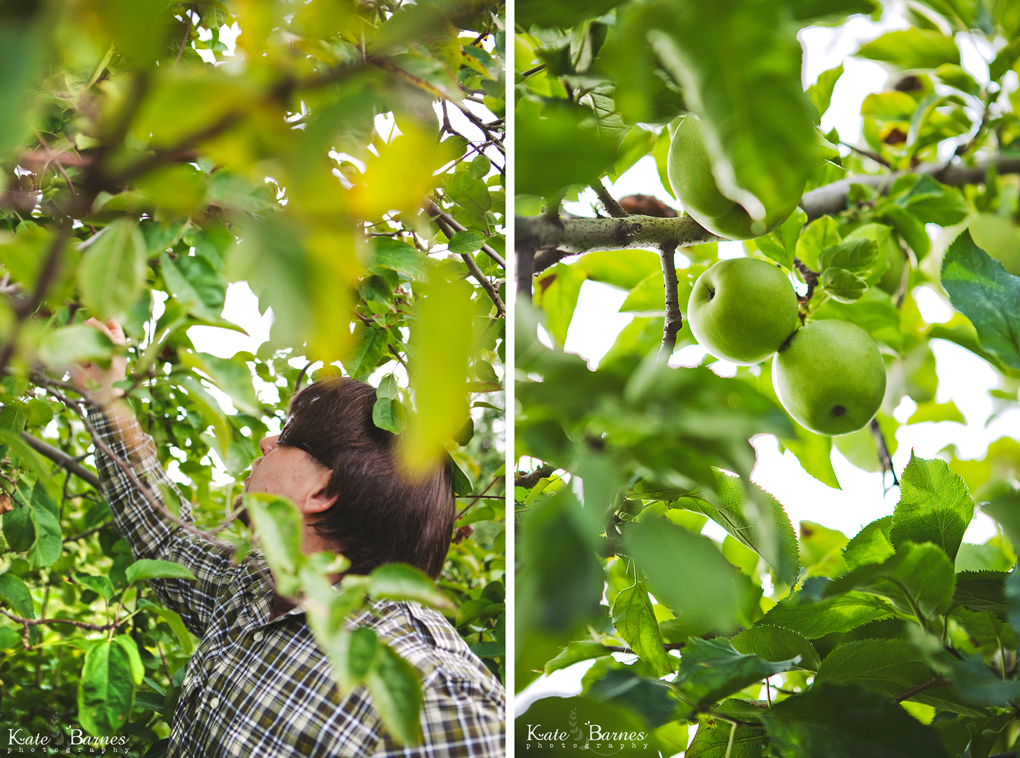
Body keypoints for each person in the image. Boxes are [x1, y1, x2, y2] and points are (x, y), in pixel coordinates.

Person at [72, 318, 505, 757]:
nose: (265, 442)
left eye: (288, 435)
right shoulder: (255, 587)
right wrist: (106, 392)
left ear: (324, 490)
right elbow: (167, 539)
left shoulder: (434, 693)